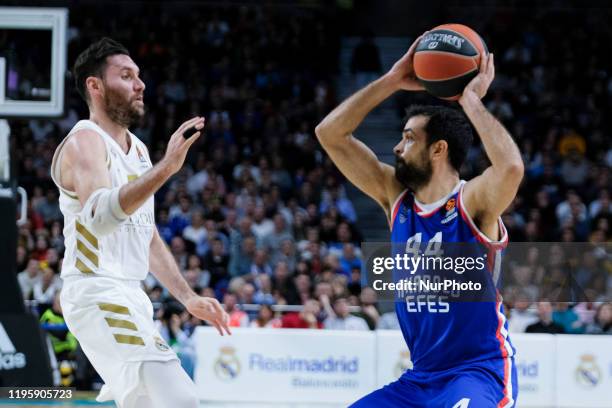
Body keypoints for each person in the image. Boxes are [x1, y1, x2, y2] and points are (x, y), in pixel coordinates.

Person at [316, 33, 523, 407]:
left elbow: (510, 167)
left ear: (439, 149)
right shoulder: (395, 199)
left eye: (409, 138)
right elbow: (329, 133)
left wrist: (471, 100)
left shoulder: (471, 200)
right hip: (419, 379)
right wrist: (392, 79)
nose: (397, 147)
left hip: (477, 374)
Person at [50, 38, 230, 408]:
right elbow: (99, 217)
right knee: (180, 399)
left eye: (139, 76)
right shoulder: (86, 141)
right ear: (95, 85)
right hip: (97, 291)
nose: (140, 84)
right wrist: (168, 168)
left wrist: (188, 297)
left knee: (146, 404)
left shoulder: (140, 149)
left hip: (132, 296)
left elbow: (145, 236)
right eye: (126, 76)